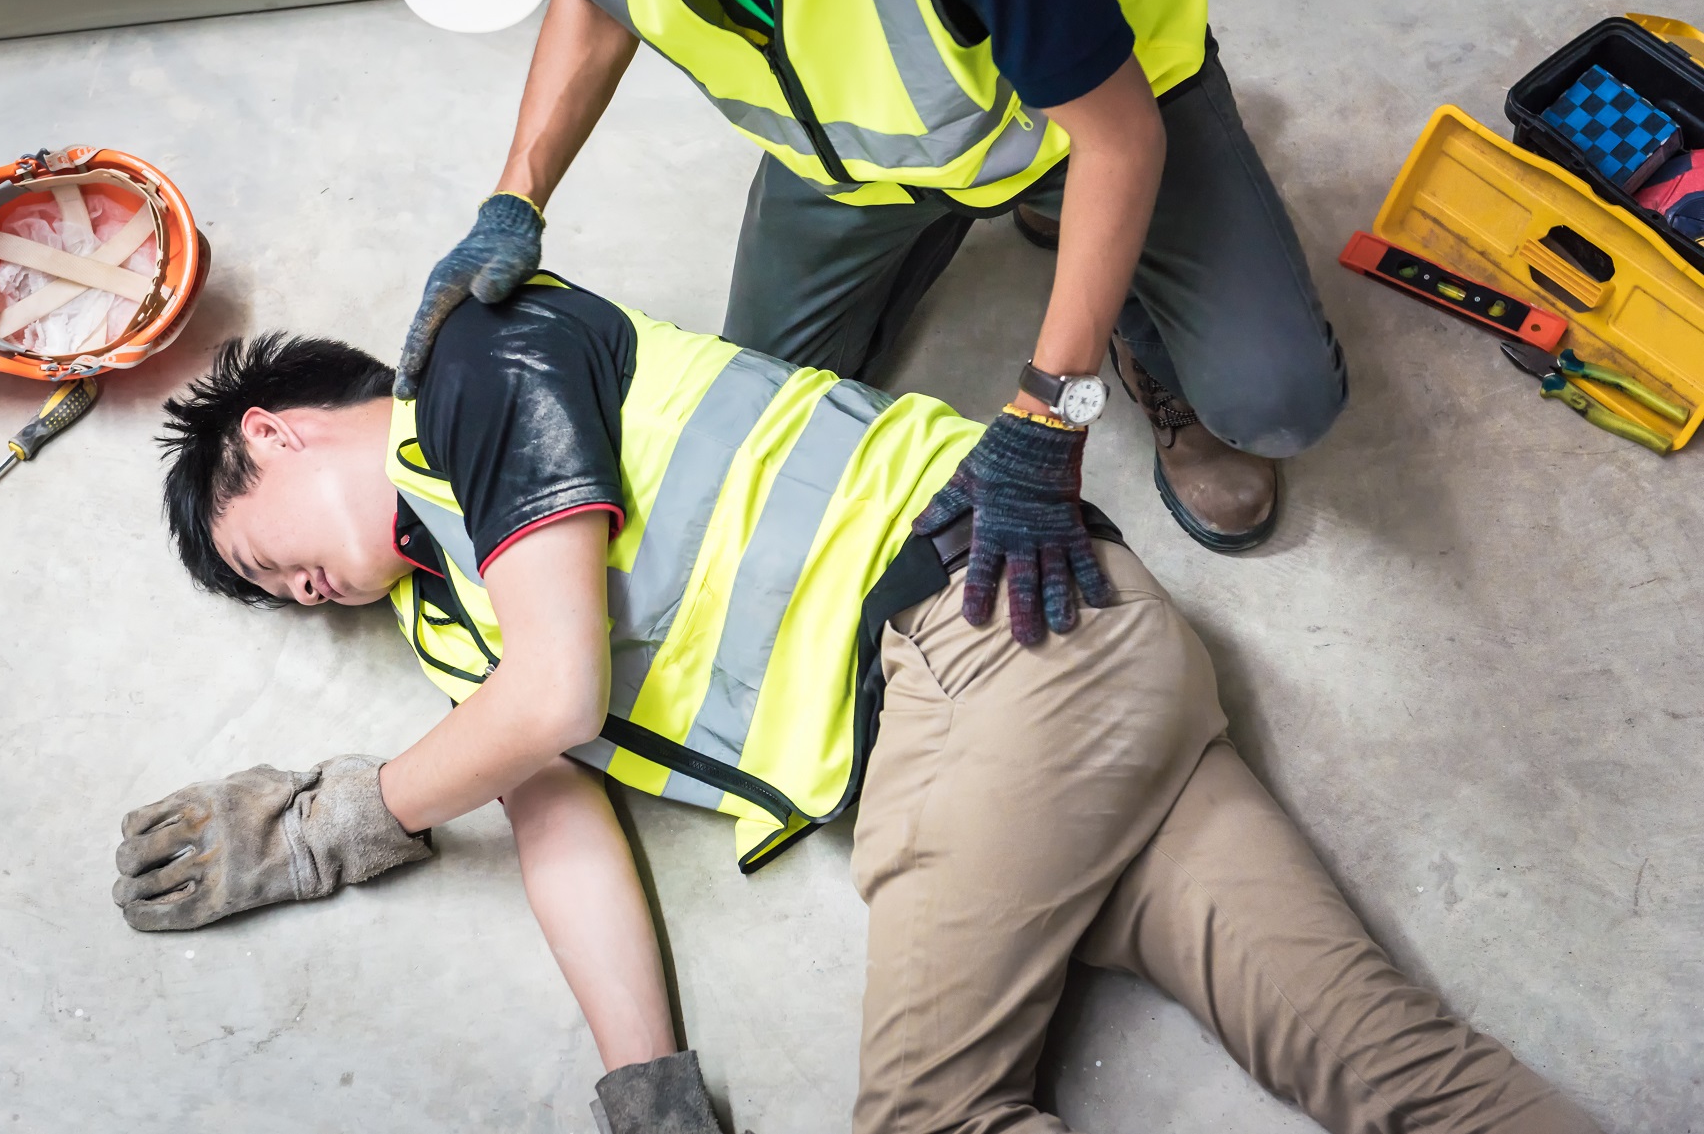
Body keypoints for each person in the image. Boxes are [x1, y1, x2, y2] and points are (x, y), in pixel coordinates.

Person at [115, 278, 1592, 1134]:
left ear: (277, 427)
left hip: (982, 637)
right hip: (1051, 712)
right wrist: (649, 1084)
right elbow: (560, 816)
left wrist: (334, 819)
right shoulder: (465, 640)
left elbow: (558, 689)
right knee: (1398, 1073)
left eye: (270, 558)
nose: (307, 592)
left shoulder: (482, 365)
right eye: (287, 601)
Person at [350, 0, 1348, 642]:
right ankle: (980, 222)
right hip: (868, 163)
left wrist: (1053, 411)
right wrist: (514, 201)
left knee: (1277, 402)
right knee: (756, 416)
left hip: (1097, 116)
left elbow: (1119, 138)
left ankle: (1129, 313)